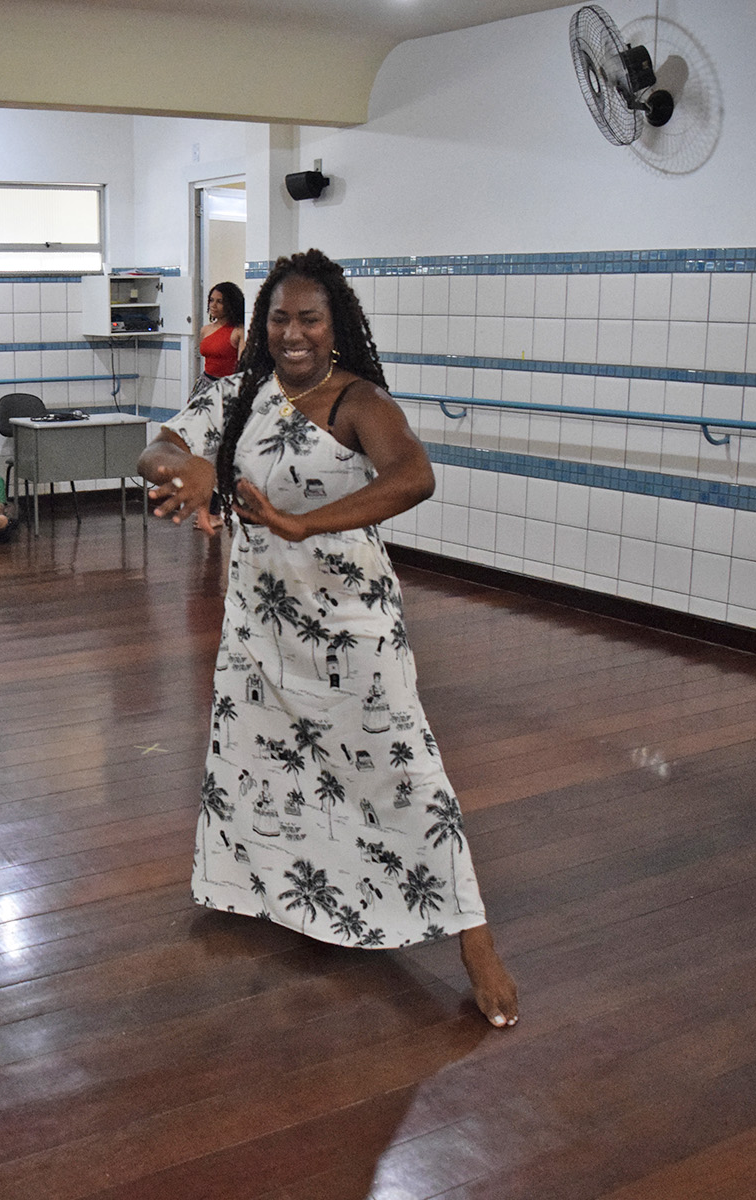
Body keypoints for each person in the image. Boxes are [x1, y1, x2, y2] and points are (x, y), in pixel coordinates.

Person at [138, 249, 519, 1029]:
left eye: (309, 318)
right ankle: (284, 895)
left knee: (401, 772)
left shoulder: (358, 401)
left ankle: (475, 943)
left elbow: (413, 476)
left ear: (335, 324)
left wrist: (304, 522)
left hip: (350, 631)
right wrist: (187, 471)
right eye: (279, 318)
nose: (293, 333)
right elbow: (156, 447)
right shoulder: (240, 394)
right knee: (264, 764)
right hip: (258, 625)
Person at [198, 281, 246, 381]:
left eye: (219, 302)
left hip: (228, 385)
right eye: (211, 300)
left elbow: (243, 365)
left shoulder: (239, 331)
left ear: (231, 305)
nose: (213, 305)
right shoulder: (205, 330)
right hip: (205, 382)